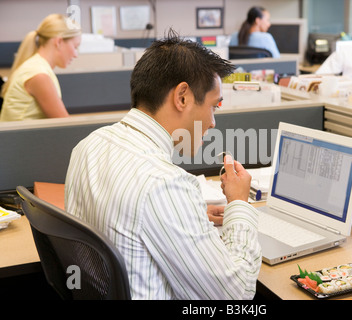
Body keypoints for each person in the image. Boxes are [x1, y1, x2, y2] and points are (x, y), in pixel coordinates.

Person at [64, 30, 262, 300]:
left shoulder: (89, 145)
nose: (213, 122)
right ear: (182, 97)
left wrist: (185, 216)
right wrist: (239, 204)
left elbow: (124, 219)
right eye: (214, 106)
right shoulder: (165, 184)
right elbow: (235, 295)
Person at [0, 14, 81, 121]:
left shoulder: (36, 66)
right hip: (19, 137)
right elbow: (64, 124)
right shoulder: (38, 74)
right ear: (59, 42)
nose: (76, 54)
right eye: (75, 47)